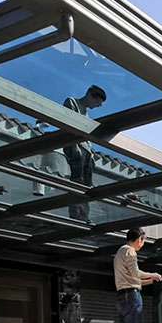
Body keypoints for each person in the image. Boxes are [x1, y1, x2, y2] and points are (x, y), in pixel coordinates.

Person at [114, 228, 162, 323]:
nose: (143, 244)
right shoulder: (130, 251)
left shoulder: (119, 252)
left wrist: (149, 281)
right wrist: (153, 274)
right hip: (131, 296)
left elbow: (130, 279)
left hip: (122, 296)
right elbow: (135, 273)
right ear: (139, 239)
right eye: (143, 241)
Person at [63, 85, 107, 222]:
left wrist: (91, 154)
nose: (98, 106)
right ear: (90, 95)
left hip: (86, 151)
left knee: (87, 186)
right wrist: (74, 146)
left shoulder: (86, 113)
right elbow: (69, 125)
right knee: (77, 181)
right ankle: (76, 215)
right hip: (77, 148)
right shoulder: (72, 102)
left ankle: (84, 216)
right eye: (97, 102)